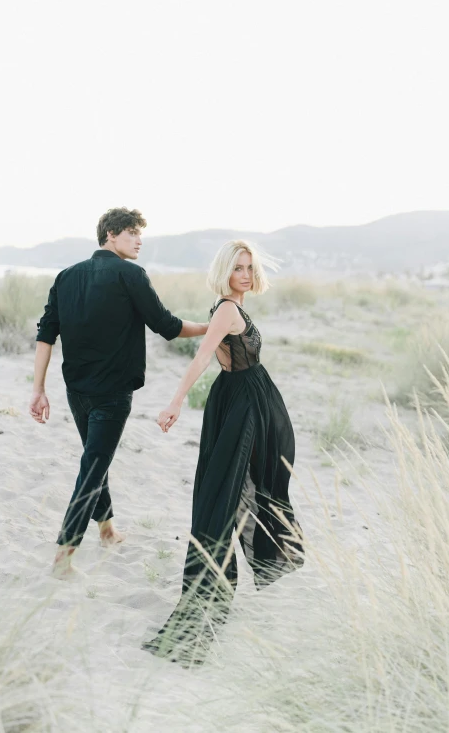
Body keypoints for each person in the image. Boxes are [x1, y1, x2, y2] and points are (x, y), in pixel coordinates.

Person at [142, 239, 304, 665]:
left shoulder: (232, 307)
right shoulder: (229, 310)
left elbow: (206, 337)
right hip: (241, 407)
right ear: (225, 272)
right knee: (226, 493)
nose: (246, 274)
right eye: (238, 268)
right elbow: (201, 357)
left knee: (249, 485)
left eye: (250, 267)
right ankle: (210, 590)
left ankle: (245, 565)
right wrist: (176, 401)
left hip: (247, 402)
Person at [29, 207, 208, 579]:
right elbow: (168, 326)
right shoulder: (131, 274)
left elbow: (46, 335)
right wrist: (214, 326)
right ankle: (64, 556)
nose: (139, 240)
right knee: (93, 466)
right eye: (132, 233)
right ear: (110, 234)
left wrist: (39, 389)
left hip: (75, 390)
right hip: (111, 395)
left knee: (95, 459)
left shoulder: (66, 276)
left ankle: (107, 530)